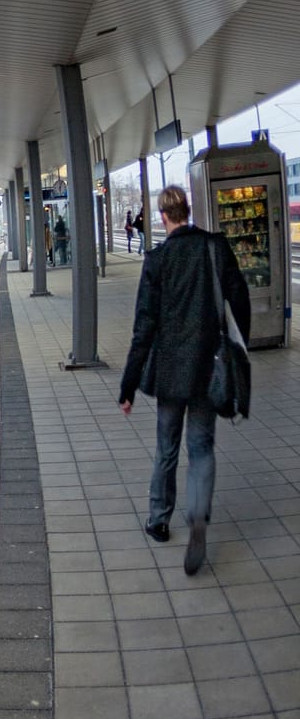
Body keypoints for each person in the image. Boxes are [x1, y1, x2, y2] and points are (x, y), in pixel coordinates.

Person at [118, 185, 250, 575]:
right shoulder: (214, 247)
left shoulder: (157, 260)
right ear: (188, 211)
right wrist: (238, 345)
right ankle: (197, 517)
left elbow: (144, 327)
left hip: (171, 372)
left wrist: (127, 386)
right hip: (209, 366)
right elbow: (239, 297)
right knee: (202, 447)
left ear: (162, 216)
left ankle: (159, 519)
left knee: (167, 447)